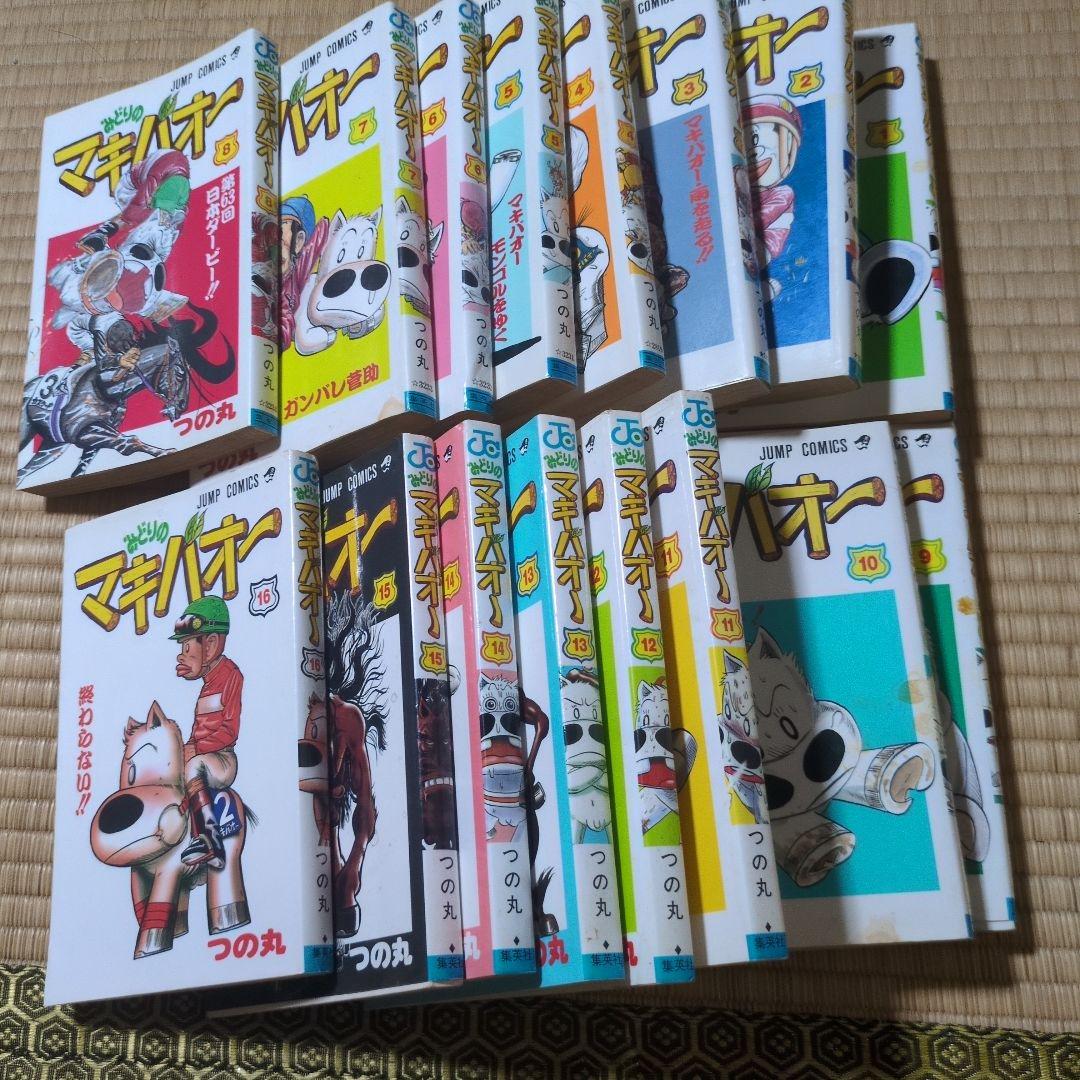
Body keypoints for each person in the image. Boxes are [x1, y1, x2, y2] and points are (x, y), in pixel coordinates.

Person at [170, 597, 243, 869]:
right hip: (203, 756)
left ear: (210, 645)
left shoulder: (231, 676)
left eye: (187, 647)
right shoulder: (205, 685)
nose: (182, 655)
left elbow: (229, 731)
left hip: (222, 759)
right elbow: (197, 731)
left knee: (194, 766)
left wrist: (196, 749)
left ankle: (210, 839)